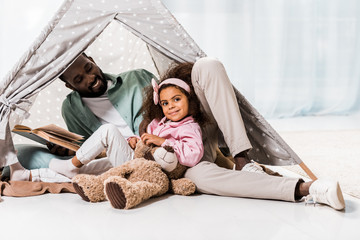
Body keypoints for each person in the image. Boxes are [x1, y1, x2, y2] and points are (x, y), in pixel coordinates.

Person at [51, 53, 345, 210]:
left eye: (90, 67)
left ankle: (243, 159)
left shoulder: (137, 77)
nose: (91, 78)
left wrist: (150, 129)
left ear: (92, 58)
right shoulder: (71, 110)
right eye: (80, 78)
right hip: (148, 164)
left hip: (183, 137)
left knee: (207, 66)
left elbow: (170, 102)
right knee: (204, 178)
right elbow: (95, 146)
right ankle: (307, 190)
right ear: (69, 86)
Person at [48, 76, 207, 177]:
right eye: (165, 103)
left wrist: (163, 142)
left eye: (177, 99)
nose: (171, 106)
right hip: (139, 161)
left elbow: (194, 154)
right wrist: (134, 140)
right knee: (94, 168)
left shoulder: (189, 126)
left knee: (108, 130)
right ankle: (47, 174)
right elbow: (145, 141)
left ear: (189, 100)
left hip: (151, 170)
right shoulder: (160, 122)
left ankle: (70, 165)